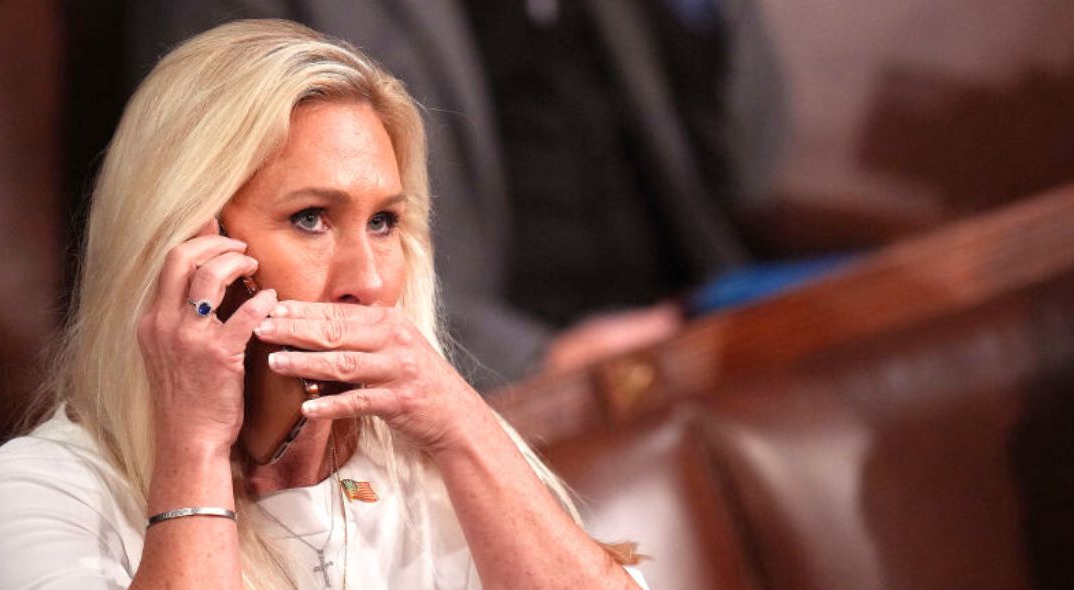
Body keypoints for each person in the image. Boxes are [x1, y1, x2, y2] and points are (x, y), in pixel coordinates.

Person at [0, 20, 667, 590]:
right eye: (311, 218)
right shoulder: (38, 494)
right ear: (186, 245)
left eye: (384, 222)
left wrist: (460, 422)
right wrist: (194, 445)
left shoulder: (437, 456)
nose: (368, 279)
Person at [125, 0, 786, 390]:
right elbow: (232, 229)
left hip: (695, 315)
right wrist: (532, 359)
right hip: (497, 359)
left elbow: (752, 170)